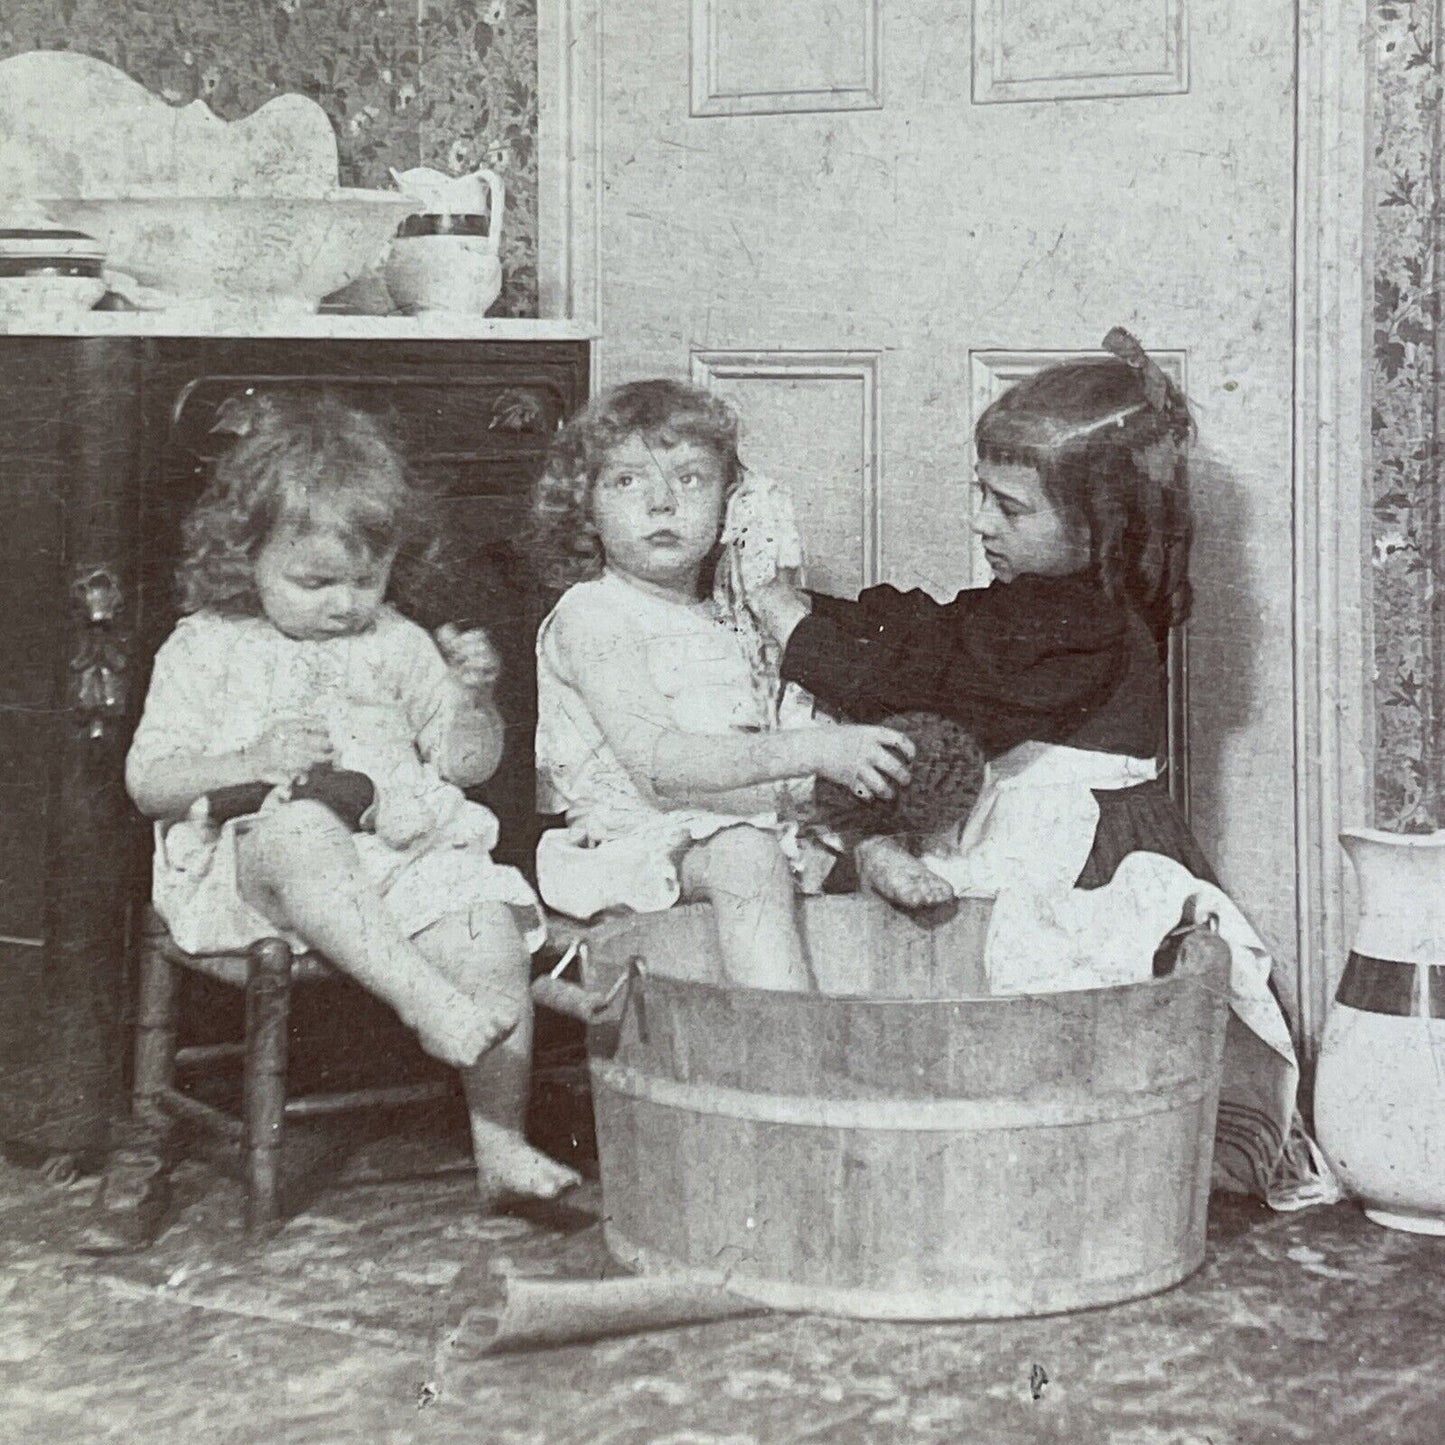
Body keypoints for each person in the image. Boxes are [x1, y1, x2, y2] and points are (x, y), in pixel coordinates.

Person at [748, 329, 1333, 1206]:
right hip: (1034, 819)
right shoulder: (1054, 599)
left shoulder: (1084, 624)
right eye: (980, 495)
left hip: (1080, 846)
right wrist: (822, 609)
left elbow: (927, 673)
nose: (981, 522)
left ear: (1107, 523)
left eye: (1010, 507)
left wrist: (792, 626)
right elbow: (935, 631)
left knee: (1049, 1000)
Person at [125, 391, 578, 1206]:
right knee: (299, 825)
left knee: (484, 915)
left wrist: (473, 701)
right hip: (254, 871)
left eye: (365, 579)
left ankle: (500, 1143)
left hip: (389, 863)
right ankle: (422, 999)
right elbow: (147, 779)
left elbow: (464, 767)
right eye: (313, 580)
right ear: (245, 553)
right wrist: (246, 759)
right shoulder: (206, 646)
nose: (343, 602)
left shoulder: (398, 643)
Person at [530, 378, 915, 991]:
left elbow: (779, 729)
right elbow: (662, 765)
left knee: (864, 847)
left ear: (728, 506)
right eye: (628, 481)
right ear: (587, 509)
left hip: (740, 823)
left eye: (690, 480)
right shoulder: (592, 615)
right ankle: (788, 1052)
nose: (662, 503)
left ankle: (861, 1046)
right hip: (638, 843)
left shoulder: (726, 618)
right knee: (746, 856)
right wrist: (816, 753)